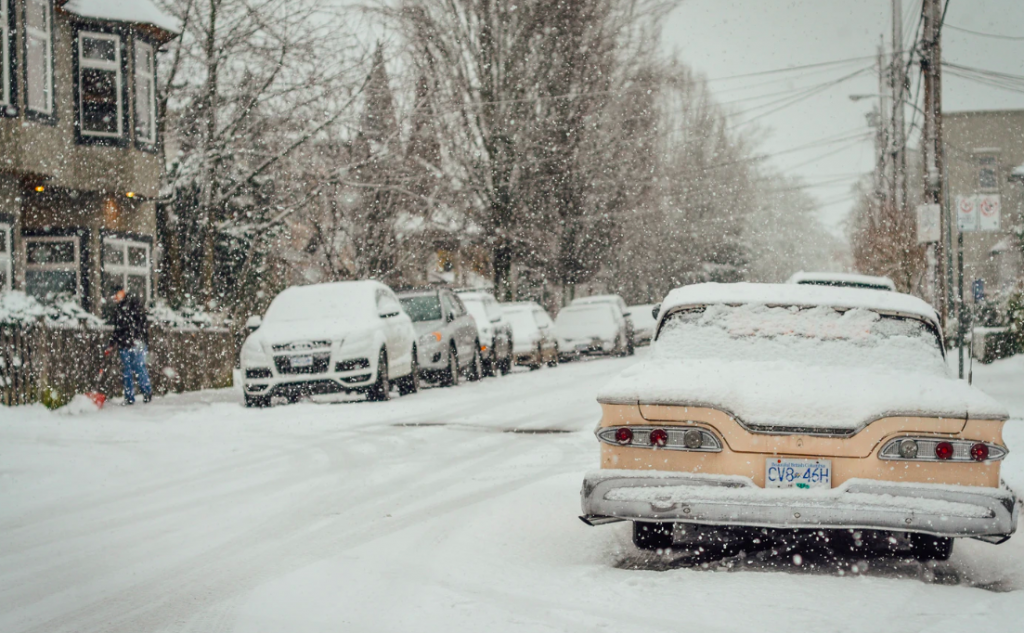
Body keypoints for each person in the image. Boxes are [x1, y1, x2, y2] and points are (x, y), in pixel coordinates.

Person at [105, 288, 153, 405]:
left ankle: (146, 391)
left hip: (136, 343)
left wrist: (134, 337)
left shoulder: (133, 306)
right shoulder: (118, 310)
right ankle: (129, 396)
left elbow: (140, 324)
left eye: (117, 295)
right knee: (127, 371)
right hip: (124, 344)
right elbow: (117, 330)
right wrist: (112, 344)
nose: (116, 298)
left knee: (139, 367)